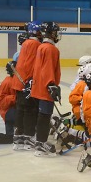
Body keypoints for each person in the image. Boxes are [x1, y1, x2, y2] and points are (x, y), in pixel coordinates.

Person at [30, 21, 62, 157]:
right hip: (45, 89)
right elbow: (47, 68)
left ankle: (39, 141)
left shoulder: (42, 46)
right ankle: (41, 144)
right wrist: (51, 85)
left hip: (39, 87)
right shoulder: (51, 49)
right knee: (45, 116)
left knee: (42, 116)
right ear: (52, 33)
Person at [12, 21, 42, 151]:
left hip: (19, 82)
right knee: (30, 111)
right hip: (27, 82)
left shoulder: (26, 43)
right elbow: (33, 65)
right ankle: (28, 138)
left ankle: (18, 139)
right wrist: (31, 81)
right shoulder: (36, 44)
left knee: (21, 110)